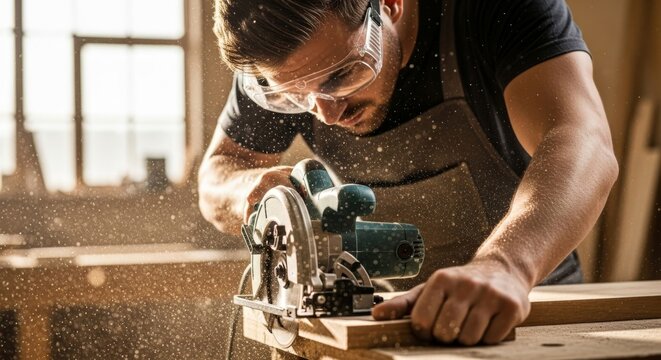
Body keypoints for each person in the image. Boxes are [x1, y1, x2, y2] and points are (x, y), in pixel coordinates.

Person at [199, 0, 618, 345]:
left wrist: (505, 266)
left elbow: (583, 140)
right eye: (295, 97)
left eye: (343, 75)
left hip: (529, 305)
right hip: (388, 319)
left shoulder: (495, 11)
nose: (326, 112)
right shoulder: (282, 66)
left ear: (389, 5)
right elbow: (217, 175)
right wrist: (252, 190)